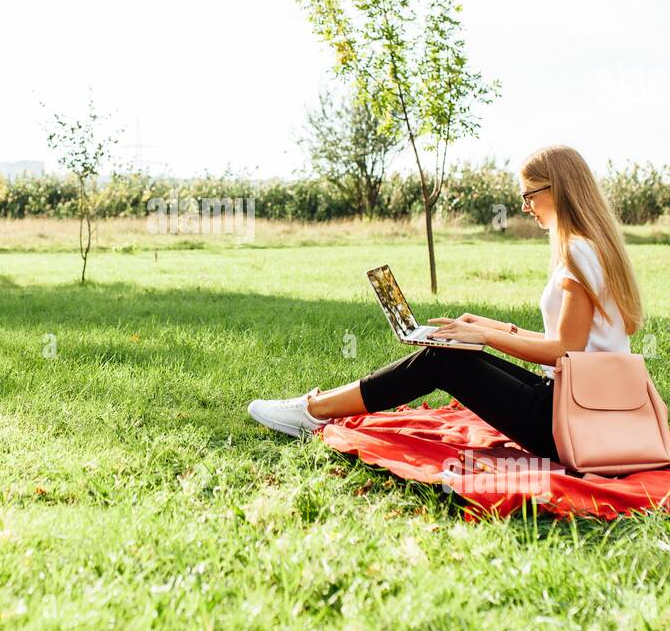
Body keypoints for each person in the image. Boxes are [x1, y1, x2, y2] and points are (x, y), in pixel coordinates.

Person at [246, 145, 645, 462]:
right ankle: (316, 407)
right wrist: (488, 328)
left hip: (569, 422)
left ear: (557, 189)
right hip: (577, 406)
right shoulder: (591, 248)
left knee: (443, 360)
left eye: (528, 195)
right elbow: (568, 342)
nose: (525, 207)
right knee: (452, 353)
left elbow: (564, 350)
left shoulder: (578, 253)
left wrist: (483, 336)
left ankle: (313, 411)